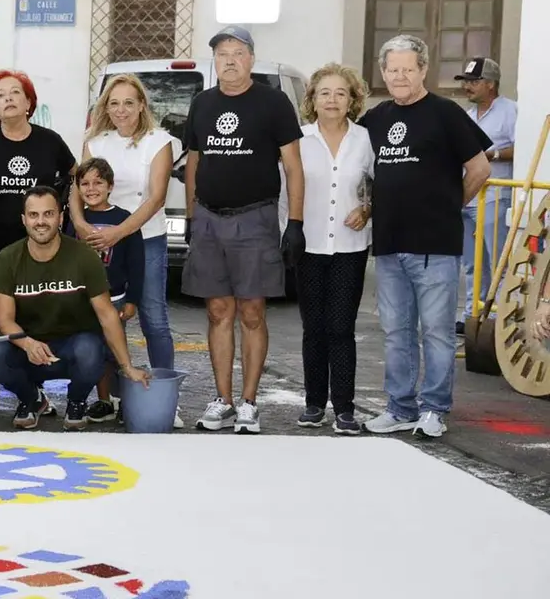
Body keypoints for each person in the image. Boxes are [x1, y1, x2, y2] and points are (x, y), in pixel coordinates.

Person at [361, 35, 491, 439]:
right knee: (397, 332)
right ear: (383, 73)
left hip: (435, 245)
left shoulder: (446, 113)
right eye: (392, 69)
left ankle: (434, 409)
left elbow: (480, 168)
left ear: (422, 70)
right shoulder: (375, 118)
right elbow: (361, 172)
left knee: (435, 332)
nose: (399, 76)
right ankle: (400, 408)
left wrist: (451, 204)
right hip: (389, 244)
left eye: (407, 69)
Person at [182, 25, 304, 434]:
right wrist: (191, 218)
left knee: (252, 311)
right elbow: (194, 163)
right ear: (213, 60)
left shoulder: (274, 103)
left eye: (237, 52)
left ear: (251, 58)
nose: (229, 60)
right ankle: (223, 400)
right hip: (209, 218)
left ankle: (250, 402)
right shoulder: (202, 103)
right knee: (218, 310)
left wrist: (296, 224)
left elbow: (293, 167)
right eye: (221, 54)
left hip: (256, 218)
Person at [0, 186, 150, 430]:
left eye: (48, 214)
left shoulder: (84, 256)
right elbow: (4, 321)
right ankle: (32, 399)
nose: (41, 222)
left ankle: (77, 401)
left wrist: (128, 367)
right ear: (24, 220)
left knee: (92, 349)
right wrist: (28, 344)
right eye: (34, 215)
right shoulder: (7, 259)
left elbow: (107, 315)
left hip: (74, 347)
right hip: (30, 349)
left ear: (61, 217)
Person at [0, 70, 76, 415]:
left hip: (40, 248)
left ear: (29, 102)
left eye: (15, 93)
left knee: (33, 314)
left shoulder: (50, 142)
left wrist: (72, 221)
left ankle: (33, 385)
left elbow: (76, 177)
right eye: (0, 95)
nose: (8, 98)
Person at [70, 73, 177, 425]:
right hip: (98, 241)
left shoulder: (159, 141)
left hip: (144, 239)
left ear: (142, 105)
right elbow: (76, 188)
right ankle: (107, 397)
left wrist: (119, 233)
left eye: (129, 102)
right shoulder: (96, 141)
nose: (121, 110)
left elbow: (157, 197)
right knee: (101, 318)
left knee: (152, 317)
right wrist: (82, 225)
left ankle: (164, 397)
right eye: (114, 103)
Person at [294, 64, 374, 436]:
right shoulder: (298, 139)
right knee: (314, 328)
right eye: (324, 92)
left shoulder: (365, 139)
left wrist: (368, 209)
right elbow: (285, 192)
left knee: (341, 328)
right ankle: (313, 404)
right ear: (312, 99)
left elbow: (375, 185)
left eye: (340, 93)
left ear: (352, 99)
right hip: (308, 245)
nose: (332, 99)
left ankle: (344, 408)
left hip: (349, 247)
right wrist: (287, 232)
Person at [66, 157, 145, 422]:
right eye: (85, 183)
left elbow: (137, 264)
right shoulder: (76, 221)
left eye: (98, 182)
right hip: (83, 301)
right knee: (94, 352)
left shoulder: (124, 220)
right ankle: (103, 401)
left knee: (115, 349)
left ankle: (125, 400)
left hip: (116, 299)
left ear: (110, 186)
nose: (91, 188)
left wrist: (133, 299)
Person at [455, 57, 517, 333]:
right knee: (472, 263)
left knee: (497, 260)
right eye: (466, 81)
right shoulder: (468, 117)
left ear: (490, 84)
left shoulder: (510, 111)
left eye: (473, 81)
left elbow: (521, 147)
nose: (467, 86)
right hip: (470, 197)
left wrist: (491, 154)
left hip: (495, 196)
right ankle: (473, 316)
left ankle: (497, 319)